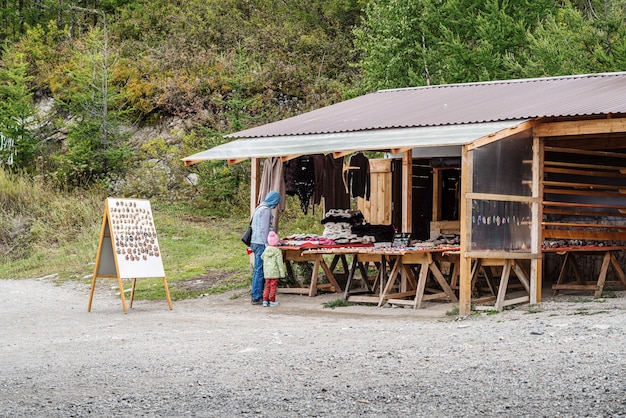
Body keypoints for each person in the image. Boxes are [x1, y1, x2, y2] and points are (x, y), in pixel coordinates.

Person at [249, 190, 281, 305]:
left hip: (254, 241)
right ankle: (257, 296)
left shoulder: (259, 208)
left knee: (258, 269)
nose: (277, 204)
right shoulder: (266, 210)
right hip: (261, 243)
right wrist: (268, 244)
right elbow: (264, 229)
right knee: (261, 270)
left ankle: (256, 293)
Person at [260, 231, 285, 307]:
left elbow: (262, 257)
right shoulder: (277, 251)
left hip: (267, 272)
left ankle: (265, 300)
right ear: (276, 242)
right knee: (273, 286)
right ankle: (272, 301)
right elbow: (279, 263)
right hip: (274, 272)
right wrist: (282, 273)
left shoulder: (266, 250)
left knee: (267, 286)